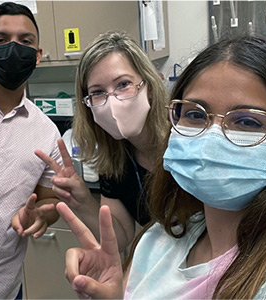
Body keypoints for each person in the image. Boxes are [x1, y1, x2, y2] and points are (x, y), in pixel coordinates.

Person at [55, 35, 266, 299]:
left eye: (248, 122)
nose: (211, 139)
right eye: (195, 115)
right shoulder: (160, 238)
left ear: (149, 84)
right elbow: (119, 234)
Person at [36, 30, 170, 252]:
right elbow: (120, 239)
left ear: (150, 87)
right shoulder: (116, 158)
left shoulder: (184, 142)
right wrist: (83, 201)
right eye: (98, 92)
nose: (112, 101)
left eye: (123, 84)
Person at [0, 2, 62, 299]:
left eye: (25, 41)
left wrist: (42, 215)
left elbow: (49, 200)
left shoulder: (47, 132)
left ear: (37, 56)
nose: (13, 49)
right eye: (0, 40)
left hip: (3, 289)